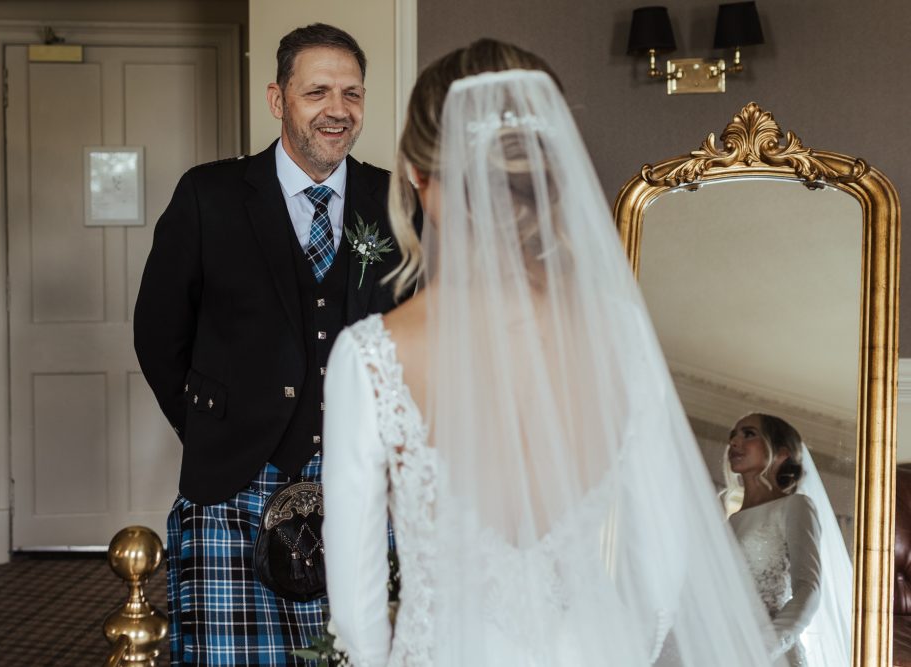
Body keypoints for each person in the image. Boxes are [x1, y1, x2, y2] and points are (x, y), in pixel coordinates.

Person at [321, 38, 780, 666]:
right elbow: (659, 563)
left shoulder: (371, 357)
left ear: (417, 176)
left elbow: (356, 612)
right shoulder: (620, 335)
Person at [134, 23, 411, 666]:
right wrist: (212, 426)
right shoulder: (209, 195)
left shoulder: (395, 199)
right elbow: (158, 332)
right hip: (233, 482)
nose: (337, 109)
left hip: (362, 483)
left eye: (352, 93)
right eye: (317, 92)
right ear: (276, 99)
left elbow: (413, 331)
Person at [724, 413, 853, 667]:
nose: (734, 442)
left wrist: (762, 649)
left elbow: (808, 589)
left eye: (748, 434)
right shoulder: (728, 524)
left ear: (782, 454)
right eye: (733, 436)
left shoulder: (795, 506)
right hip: (723, 649)